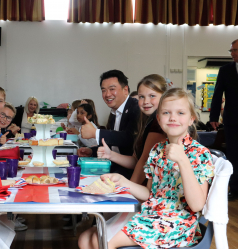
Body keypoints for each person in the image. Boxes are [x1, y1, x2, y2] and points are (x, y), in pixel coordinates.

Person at [79, 88, 214, 249]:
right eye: (166, 113)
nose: (172, 118)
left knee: (102, 241)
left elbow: (197, 205)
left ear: (191, 119)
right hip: (151, 213)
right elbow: (150, 194)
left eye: (180, 113)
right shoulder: (158, 150)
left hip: (178, 223)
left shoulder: (199, 154)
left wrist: (183, 161)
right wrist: (123, 181)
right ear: (158, 118)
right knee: (85, 238)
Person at [97, 74, 167, 185]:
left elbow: (144, 161)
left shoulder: (158, 123)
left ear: (164, 97)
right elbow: (136, 160)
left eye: (152, 96)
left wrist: (129, 191)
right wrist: (110, 154)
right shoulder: (145, 121)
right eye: (141, 97)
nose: (146, 101)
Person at [78, 69, 140, 179]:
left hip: (131, 174)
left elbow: (129, 138)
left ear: (125, 90)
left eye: (112, 89)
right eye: (103, 90)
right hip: (114, 168)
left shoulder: (135, 108)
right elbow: (113, 145)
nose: (107, 94)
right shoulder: (114, 112)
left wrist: (95, 133)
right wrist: (92, 151)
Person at [210, 39, 238, 201]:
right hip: (232, 120)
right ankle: (234, 188)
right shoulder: (225, 70)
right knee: (233, 155)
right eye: (231, 50)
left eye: (234, 50)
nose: (232, 53)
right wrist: (213, 117)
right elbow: (217, 94)